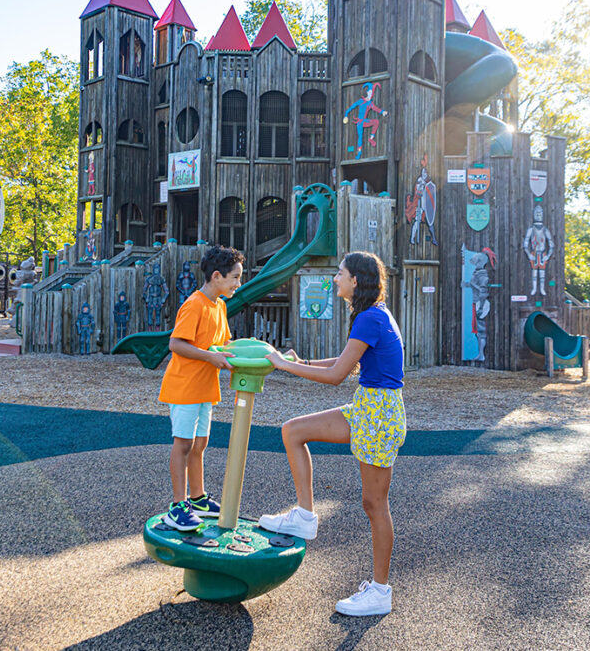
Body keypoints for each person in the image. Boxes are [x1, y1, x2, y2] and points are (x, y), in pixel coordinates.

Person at [261, 251, 405, 616]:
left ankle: (380, 592)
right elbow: (349, 362)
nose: (335, 279)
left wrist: (283, 365)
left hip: (379, 414)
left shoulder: (371, 317)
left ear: (356, 280)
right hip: (367, 408)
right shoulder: (371, 315)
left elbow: (338, 375)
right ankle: (305, 516)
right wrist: (300, 362)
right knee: (293, 431)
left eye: (339, 274)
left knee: (374, 504)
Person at [158, 246, 244, 531]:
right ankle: (177, 506)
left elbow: (223, 344)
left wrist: (252, 352)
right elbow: (176, 344)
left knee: (200, 445)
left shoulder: (219, 305)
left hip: (205, 387)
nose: (238, 284)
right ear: (217, 276)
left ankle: (197, 498)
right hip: (185, 386)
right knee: (182, 445)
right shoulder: (194, 304)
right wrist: (211, 357)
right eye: (235, 277)